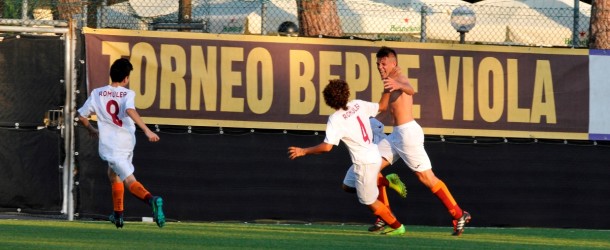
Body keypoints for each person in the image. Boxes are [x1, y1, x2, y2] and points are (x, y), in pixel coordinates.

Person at [288, 79, 406, 235]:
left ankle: (398, 227)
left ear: (329, 101)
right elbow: (383, 106)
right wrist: (386, 90)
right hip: (374, 154)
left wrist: (304, 151)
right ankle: (386, 181)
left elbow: (327, 147)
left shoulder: (335, 119)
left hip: (364, 163)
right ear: (346, 92)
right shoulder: (358, 104)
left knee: (368, 201)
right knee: (347, 186)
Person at [375, 46, 471, 236]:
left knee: (426, 178)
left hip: (408, 135)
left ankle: (458, 214)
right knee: (370, 167)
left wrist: (400, 86)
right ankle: (384, 216)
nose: (380, 67)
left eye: (383, 63)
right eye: (377, 64)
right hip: (395, 136)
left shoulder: (398, 77)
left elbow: (410, 89)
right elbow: (383, 108)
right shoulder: (388, 81)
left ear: (393, 63)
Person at [77, 58, 166, 229]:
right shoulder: (127, 93)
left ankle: (152, 200)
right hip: (127, 141)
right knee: (112, 173)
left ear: (111, 75)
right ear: (126, 79)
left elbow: (81, 116)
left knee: (128, 179)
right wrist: (146, 131)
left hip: (111, 144)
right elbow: (129, 109)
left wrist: (91, 129)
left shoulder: (97, 93)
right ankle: (118, 215)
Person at [340, 117, 407, 232]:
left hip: (373, 137)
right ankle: (388, 183)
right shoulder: (341, 114)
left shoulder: (353, 109)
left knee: (373, 174)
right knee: (347, 187)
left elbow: (381, 107)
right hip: (366, 142)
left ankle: (385, 218)